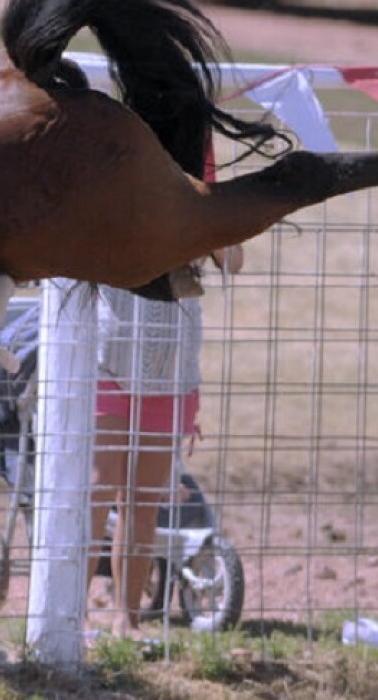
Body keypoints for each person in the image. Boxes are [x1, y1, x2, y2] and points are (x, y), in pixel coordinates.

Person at [87, 245, 243, 643]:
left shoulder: (201, 190)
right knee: (97, 490)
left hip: (173, 366)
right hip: (110, 353)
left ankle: (128, 621)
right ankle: (72, 618)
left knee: (142, 502)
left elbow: (233, 262)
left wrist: (211, 213)